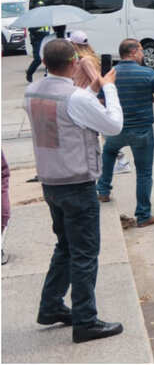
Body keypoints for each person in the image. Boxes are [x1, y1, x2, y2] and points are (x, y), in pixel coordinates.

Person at [24, 38, 125, 343]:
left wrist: (91, 90)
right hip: (77, 182)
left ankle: (51, 305)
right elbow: (113, 125)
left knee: (65, 247)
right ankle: (86, 320)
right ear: (73, 63)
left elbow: (72, 107)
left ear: (44, 63)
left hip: (51, 180)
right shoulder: (76, 98)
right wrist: (108, 88)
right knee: (84, 253)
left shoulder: (33, 91)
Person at [95, 39, 154, 228]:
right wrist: (149, 98)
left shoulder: (111, 74)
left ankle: (103, 190)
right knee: (144, 172)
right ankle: (143, 215)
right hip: (142, 130)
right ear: (134, 52)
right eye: (142, 51)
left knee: (109, 152)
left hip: (116, 128)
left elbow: (102, 101)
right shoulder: (148, 73)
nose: (143, 55)